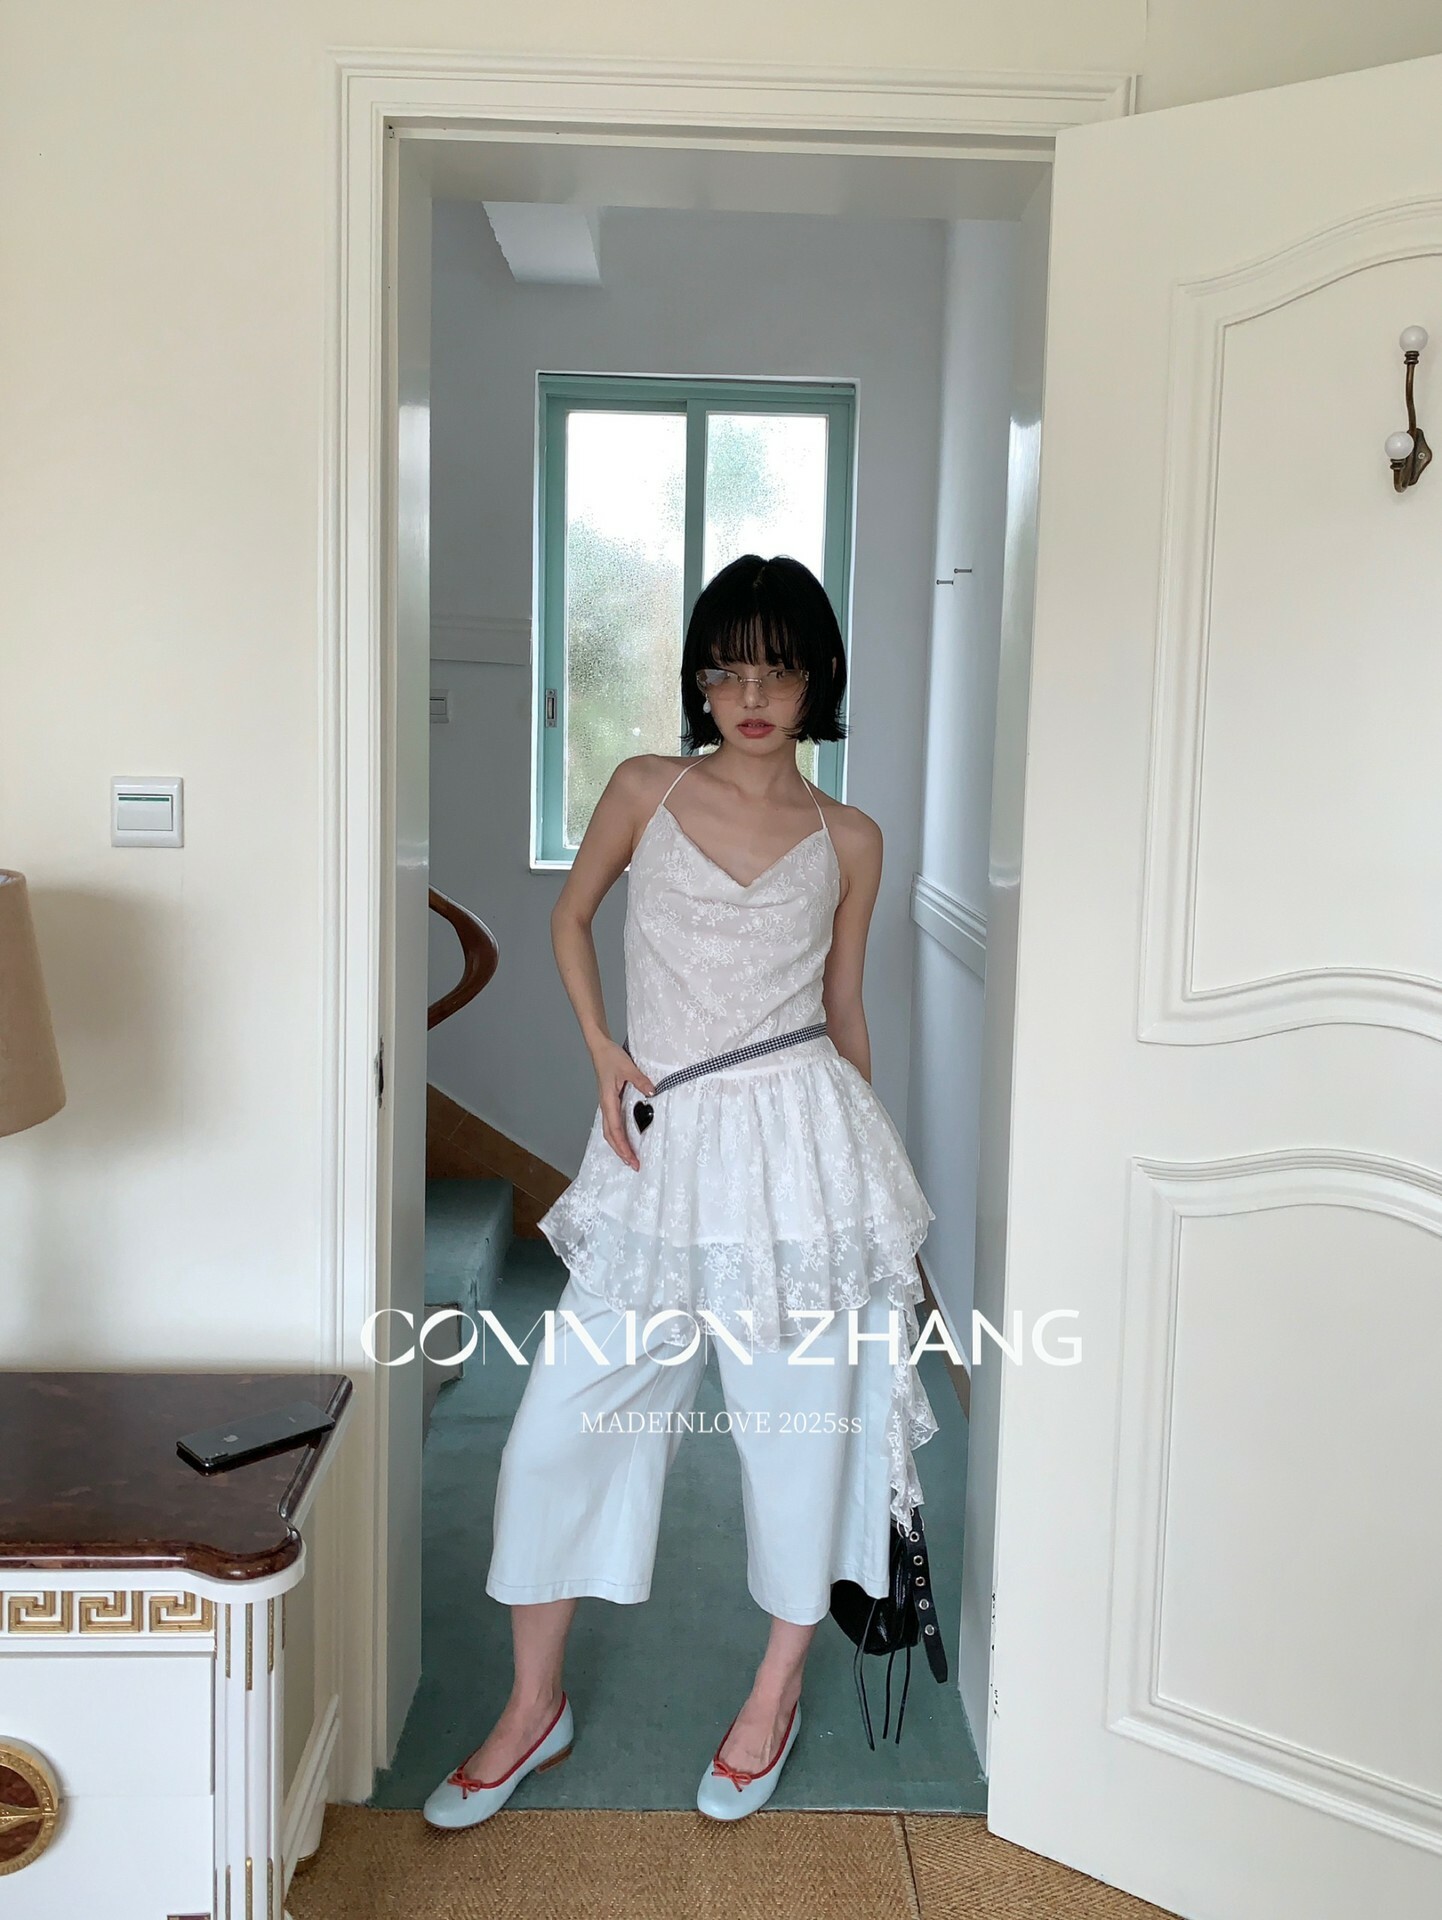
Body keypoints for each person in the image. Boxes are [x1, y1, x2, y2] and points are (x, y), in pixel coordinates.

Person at [423, 553, 937, 1829]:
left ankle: (773, 1695)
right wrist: (603, 1051)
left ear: (817, 677)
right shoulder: (642, 789)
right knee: (556, 1432)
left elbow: (842, 1011)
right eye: (726, 668)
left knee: (798, 1440)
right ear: (698, 680)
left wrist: (872, 1209)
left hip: (805, 1151)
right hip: (663, 1147)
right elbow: (569, 918)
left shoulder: (850, 839)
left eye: (778, 669)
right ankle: (533, 1708)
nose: (750, 696)